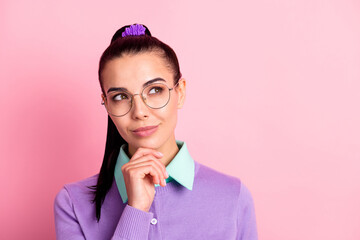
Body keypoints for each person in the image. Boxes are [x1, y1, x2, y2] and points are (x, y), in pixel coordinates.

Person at [54, 23, 258, 240]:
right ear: (106, 104)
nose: (139, 112)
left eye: (154, 90)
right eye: (120, 97)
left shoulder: (232, 196)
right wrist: (136, 210)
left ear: (180, 92)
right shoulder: (73, 203)